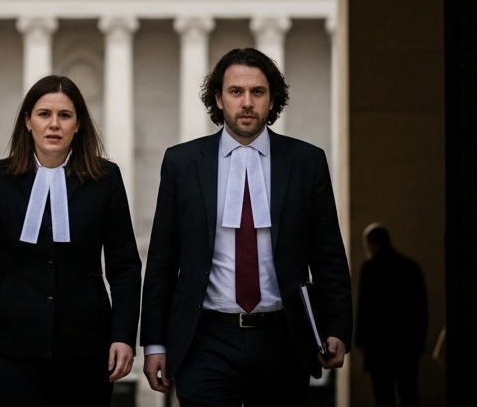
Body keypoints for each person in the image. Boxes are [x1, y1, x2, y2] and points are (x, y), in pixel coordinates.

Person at [141, 47, 353, 407]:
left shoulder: (305, 162)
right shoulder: (182, 163)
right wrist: (155, 343)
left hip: (283, 338)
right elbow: (162, 259)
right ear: (219, 100)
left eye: (258, 92)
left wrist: (337, 328)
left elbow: (328, 254)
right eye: (235, 92)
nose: (247, 102)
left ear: (272, 101)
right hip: (205, 339)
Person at [0, 75, 142, 406]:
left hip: (85, 348)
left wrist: (123, 337)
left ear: (78, 123)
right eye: (43, 114)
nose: (53, 125)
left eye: (64, 115)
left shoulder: (105, 179)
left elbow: (124, 265)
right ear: (28, 121)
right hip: (7, 349)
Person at [355, 223, 428, 407]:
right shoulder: (411, 267)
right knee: (409, 393)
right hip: (407, 343)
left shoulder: (370, 268)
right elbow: (421, 308)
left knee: (383, 397)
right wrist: (419, 340)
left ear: (371, 244)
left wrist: (359, 340)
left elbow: (364, 307)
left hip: (379, 345)